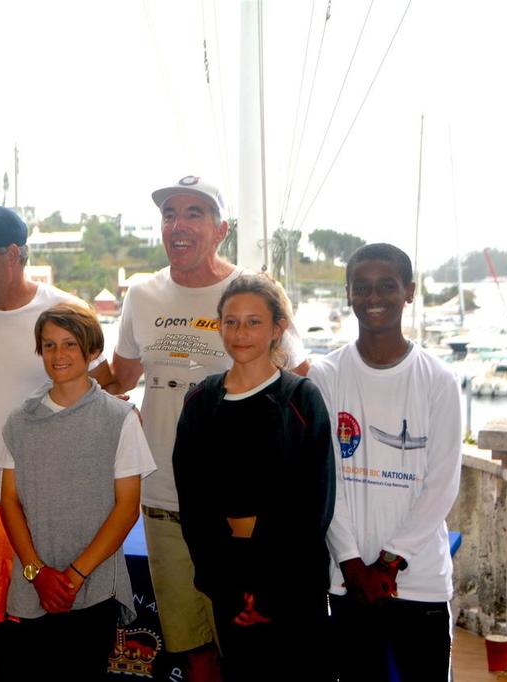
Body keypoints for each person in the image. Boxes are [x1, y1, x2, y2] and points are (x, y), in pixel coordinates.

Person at [111, 176, 308, 681]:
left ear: (220, 229)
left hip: (238, 510)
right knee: (190, 647)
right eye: (170, 214)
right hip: (163, 497)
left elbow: (297, 383)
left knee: (247, 647)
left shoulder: (251, 293)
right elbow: (119, 379)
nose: (179, 224)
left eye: (194, 213)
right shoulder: (141, 293)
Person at [0, 204, 118, 681]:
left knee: (39, 639)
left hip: (43, 506)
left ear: (13, 254)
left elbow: (105, 392)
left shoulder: (66, 312)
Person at [309, 243, 462, 681]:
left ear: (409, 292)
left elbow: (442, 484)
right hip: (348, 581)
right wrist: (352, 562)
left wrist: (389, 563)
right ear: (348, 294)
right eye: (362, 287)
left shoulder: (438, 380)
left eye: (387, 286)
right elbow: (325, 480)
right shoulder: (327, 375)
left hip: (420, 581)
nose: (374, 297)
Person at [172, 275, 334, 680]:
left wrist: (269, 593)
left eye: (253, 322)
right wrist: (227, 588)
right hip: (228, 579)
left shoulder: (301, 399)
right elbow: (193, 504)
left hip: (292, 580)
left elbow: (314, 504)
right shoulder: (200, 401)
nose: (240, 333)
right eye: (231, 322)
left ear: (277, 328)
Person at [0, 302, 155, 679]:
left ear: (92, 351)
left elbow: (126, 508)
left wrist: (73, 576)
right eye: (49, 345)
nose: (58, 355)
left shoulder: (119, 419)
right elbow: (9, 502)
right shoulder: (19, 421)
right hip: (34, 584)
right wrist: (37, 572)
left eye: (69, 344)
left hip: (93, 586)